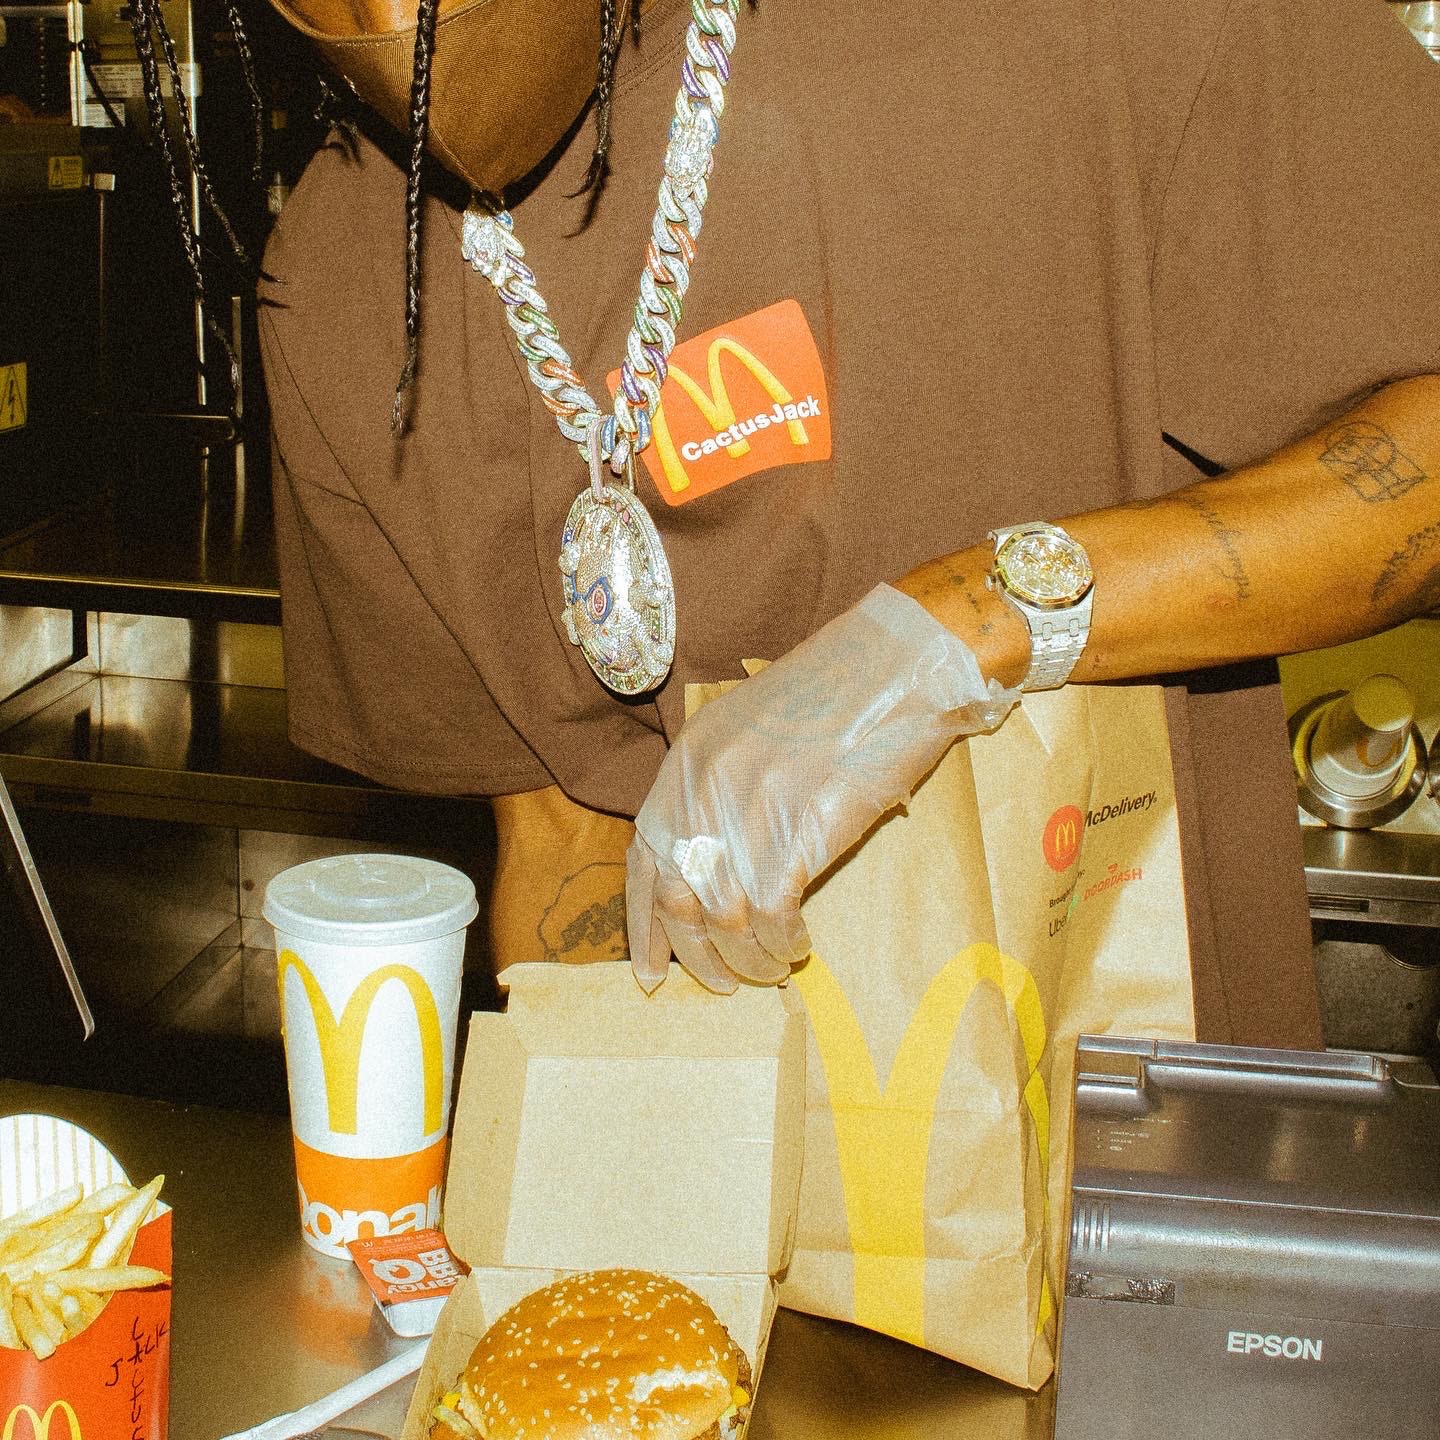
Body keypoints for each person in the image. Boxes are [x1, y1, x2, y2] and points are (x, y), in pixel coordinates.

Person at [256, 0, 1440, 1042]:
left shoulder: (1080, 25)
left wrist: (966, 624)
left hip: (1133, 1155)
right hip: (732, 1204)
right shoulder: (340, 289)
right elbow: (563, 846)